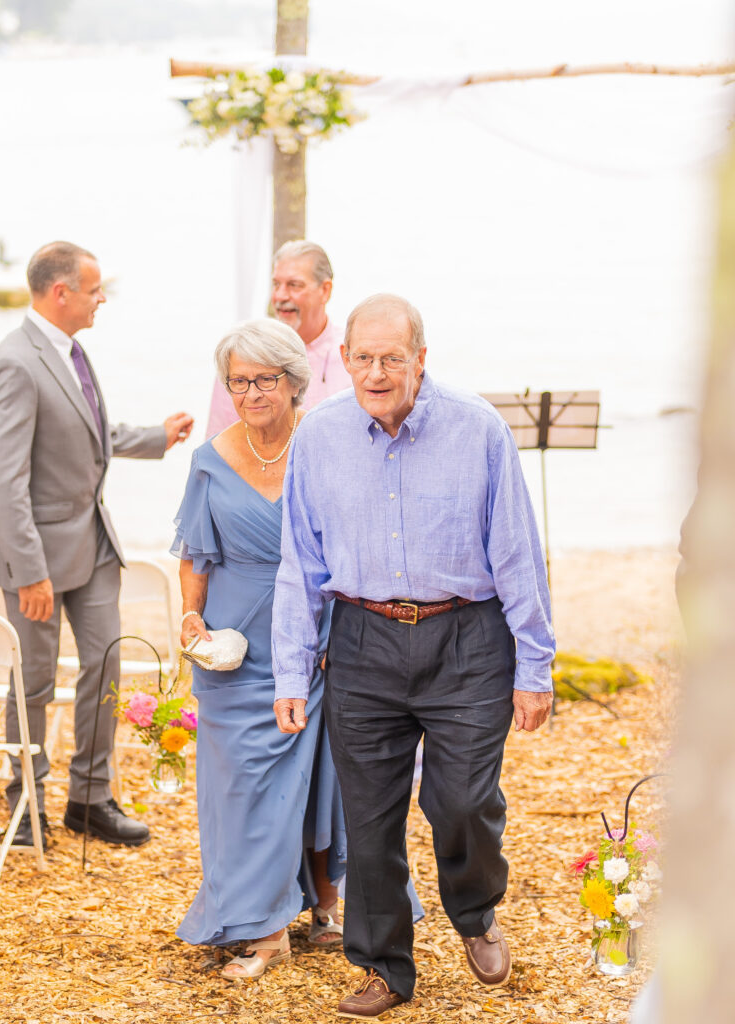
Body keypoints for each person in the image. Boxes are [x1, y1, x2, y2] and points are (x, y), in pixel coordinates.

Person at [272, 294, 555, 1017]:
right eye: (362, 358)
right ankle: (384, 968)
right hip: (361, 641)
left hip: (468, 640)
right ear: (342, 360)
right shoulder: (319, 437)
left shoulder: (479, 429)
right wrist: (290, 668)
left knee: (461, 801)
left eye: (391, 358)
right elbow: (299, 563)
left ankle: (474, 909)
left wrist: (534, 667)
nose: (375, 372)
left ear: (420, 360)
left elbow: (519, 555)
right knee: (368, 818)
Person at [0, 241, 194, 849]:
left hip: (95, 544)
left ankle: (90, 798)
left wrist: (155, 437)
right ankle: (25, 803)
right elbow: (4, 479)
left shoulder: (72, 351)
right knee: (33, 682)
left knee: (105, 667)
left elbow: (87, 431)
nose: (101, 298)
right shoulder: (15, 363)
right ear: (61, 293)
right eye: (94, 289)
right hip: (38, 561)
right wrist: (28, 571)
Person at [173, 319, 346, 978]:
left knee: (315, 783)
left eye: (263, 380)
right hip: (233, 649)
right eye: (238, 381)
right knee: (238, 789)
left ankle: (320, 903)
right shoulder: (210, 460)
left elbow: (349, 548)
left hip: (310, 640)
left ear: (293, 381)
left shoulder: (324, 449)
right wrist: (190, 615)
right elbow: (194, 553)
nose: (250, 394)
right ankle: (261, 924)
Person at [205, 240, 349, 435]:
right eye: (276, 284)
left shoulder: (354, 356)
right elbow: (217, 441)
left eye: (294, 285)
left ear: (325, 290)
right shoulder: (241, 353)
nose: (280, 296)